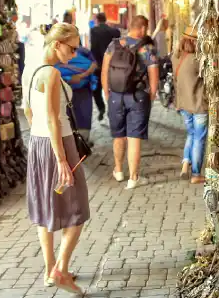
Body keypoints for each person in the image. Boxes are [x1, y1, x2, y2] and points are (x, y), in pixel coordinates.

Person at [24, 23, 90, 295]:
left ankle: (50, 269)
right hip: (57, 144)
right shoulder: (51, 73)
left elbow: (29, 112)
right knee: (78, 210)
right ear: (57, 44)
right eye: (72, 48)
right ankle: (60, 270)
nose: (74, 54)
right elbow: (53, 118)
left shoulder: (31, 70)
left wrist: (41, 141)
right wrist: (62, 158)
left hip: (38, 144)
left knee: (46, 208)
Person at [101, 15, 159, 189]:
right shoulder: (147, 48)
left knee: (118, 135)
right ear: (142, 28)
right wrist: (151, 95)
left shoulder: (114, 45)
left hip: (115, 95)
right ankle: (133, 178)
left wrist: (107, 93)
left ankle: (118, 170)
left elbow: (104, 71)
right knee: (134, 136)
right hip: (138, 95)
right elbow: (153, 75)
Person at [172, 34, 207, 184]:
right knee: (199, 139)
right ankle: (196, 174)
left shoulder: (176, 58)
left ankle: (186, 163)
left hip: (183, 104)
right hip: (198, 105)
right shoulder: (197, 60)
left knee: (191, 135)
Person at [57, 43, 97, 143]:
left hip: (72, 89)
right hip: (77, 89)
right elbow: (94, 65)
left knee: (71, 115)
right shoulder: (83, 51)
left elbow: (94, 65)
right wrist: (84, 74)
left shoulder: (57, 52)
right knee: (81, 115)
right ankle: (81, 142)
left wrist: (78, 76)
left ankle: (77, 142)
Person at [89, 12, 121, 120]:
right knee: (112, 89)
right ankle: (111, 110)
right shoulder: (114, 31)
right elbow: (118, 36)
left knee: (96, 90)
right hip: (112, 65)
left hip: (98, 65)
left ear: (97, 20)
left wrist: (93, 62)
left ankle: (101, 107)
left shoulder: (94, 31)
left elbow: (93, 48)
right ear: (105, 20)